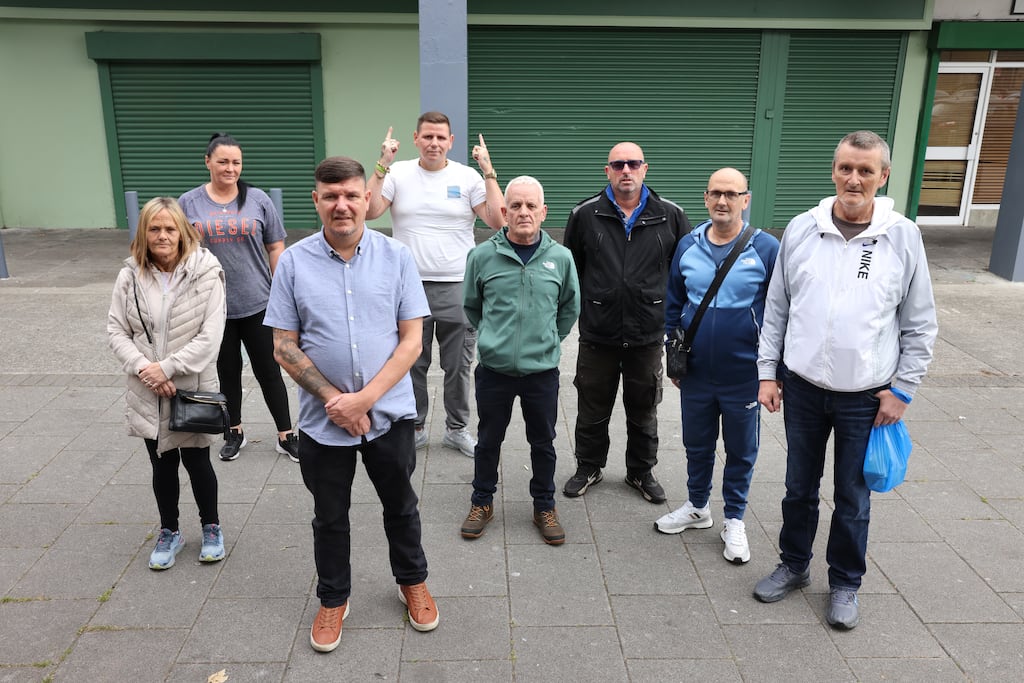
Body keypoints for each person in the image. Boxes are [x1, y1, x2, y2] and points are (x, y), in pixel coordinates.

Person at [753, 131, 938, 630]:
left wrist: (903, 390)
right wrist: (767, 373)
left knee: (853, 497)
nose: (853, 179)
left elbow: (920, 322)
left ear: (883, 176)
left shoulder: (902, 236)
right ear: (833, 170)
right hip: (804, 388)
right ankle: (793, 565)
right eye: (845, 168)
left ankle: (845, 583)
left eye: (865, 170)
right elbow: (777, 309)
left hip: (867, 397)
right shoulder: (801, 229)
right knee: (797, 486)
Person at [265, 156, 438, 653]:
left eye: (351, 195)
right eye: (331, 195)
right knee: (329, 516)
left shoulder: (396, 257)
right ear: (316, 200)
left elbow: (412, 342)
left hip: (388, 416)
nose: (342, 205)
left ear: (368, 200)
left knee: (401, 506)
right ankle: (333, 598)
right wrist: (335, 401)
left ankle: (413, 581)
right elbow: (283, 346)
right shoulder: (294, 262)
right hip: (323, 424)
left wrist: (364, 399)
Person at [654, 169, 779, 565]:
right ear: (705, 198)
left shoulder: (766, 248)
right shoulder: (687, 245)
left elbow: (781, 311)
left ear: (746, 199)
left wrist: (772, 372)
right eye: (715, 194)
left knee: (742, 450)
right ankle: (697, 507)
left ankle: (735, 519)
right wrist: (672, 351)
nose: (722, 201)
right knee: (697, 442)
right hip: (695, 371)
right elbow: (673, 301)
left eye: (731, 194)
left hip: (744, 372)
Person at [366, 112, 505, 456]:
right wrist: (382, 163)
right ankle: (414, 427)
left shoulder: (467, 176)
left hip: (458, 286)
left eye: (441, 138)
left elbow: (498, 220)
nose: (434, 143)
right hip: (408, 287)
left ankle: (456, 428)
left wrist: (488, 170)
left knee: (458, 366)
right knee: (411, 363)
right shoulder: (398, 173)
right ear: (416, 138)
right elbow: (368, 211)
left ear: (451, 141)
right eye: (428, 137)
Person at [562, 142, 691, 503]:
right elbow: (573, 270)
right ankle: (589, 466)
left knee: (644, 407)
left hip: (647, 333)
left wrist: (675, 323)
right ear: (608, 171)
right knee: (591, 407)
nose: (626, 171)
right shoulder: (585, 214)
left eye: (633, 164)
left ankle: (641, 471)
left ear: (645, 168)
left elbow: (684, 273)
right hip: (598, 332)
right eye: (618, 165)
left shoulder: (671, 215)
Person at [107, 197, 227, 570]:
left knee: (197, 461)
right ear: (144, 233)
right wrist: (146, 369)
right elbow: (115, 329)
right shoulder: (129, 275)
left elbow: (211, 335)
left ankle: (211, 526)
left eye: (169, 228)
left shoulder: (206, 270)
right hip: (147, 388)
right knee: (161, 464)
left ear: (183, 231)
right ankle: (169, 530)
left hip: (190, 383)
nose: (162, 235)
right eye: (154, 229)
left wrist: (168, 368)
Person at [459, 176, 580, 545]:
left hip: (541, 373)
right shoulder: (482, 257)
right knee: (487, 440)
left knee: (543, 442)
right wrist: (495, 341)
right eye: (516, 206)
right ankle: (482, 501)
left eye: (531, 206)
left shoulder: (561, 258)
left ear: (544, 212)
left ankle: (544, 505)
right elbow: (472, 306)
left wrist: (546, 342)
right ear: (504, 211)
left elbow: (569, 307)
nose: (523, 212)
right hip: (494, 371)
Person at [179, 133, 298, 463]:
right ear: (207, 162)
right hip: (211, 305)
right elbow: (178, 250)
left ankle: (286, 435)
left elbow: (275, 245)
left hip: (258, 301)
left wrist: (282, 290)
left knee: (270, 371)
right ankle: (234, 431)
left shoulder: (257, 199)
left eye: (236, 162)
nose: (230, 168)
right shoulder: (188, 203)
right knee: (226, 371)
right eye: (222, 161)